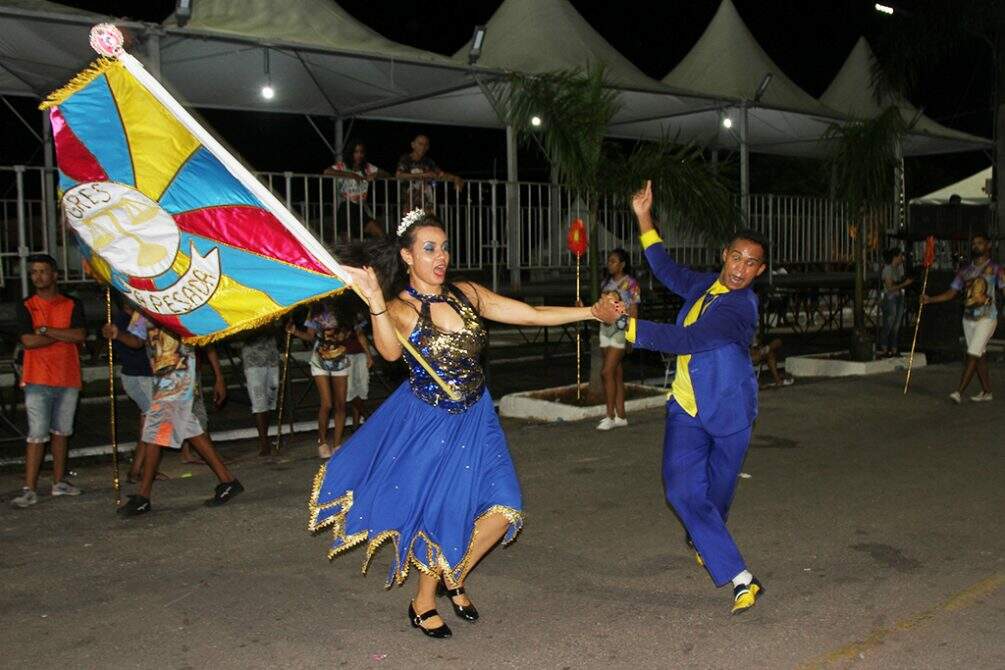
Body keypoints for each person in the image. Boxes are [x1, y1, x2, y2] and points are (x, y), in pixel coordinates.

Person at [308, 209, 607, 638]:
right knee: (447, 513)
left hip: (478, 416)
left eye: (444, 247)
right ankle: (423, 600)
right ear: (408, 257)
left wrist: (589, 314)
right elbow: (390, 354)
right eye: (429, 248)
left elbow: (528, 313)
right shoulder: (399, 308)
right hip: (433, 422)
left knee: (505, 509)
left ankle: (452, 573)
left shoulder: (465, 293)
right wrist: (375, 303)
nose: (441, 256)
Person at [597, 180, 767, 615]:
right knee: (681, 491)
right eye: (736, 257)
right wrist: (643, 216)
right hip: (687, 408)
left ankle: (704, 534)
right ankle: (741, 578)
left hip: (730, 414)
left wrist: (626, 325)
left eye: (751, 264)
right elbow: (665, 268)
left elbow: (686, 338)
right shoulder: (707, 286)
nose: (741, 268)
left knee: (715, 498)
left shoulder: (739, 308)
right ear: (724, 256)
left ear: (758, 272)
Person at [104, 311, 244, 516]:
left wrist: (218, 376)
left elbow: (203, 339)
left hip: (179, 373)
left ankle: (143, 497)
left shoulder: (175, 304)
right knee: (190, 428)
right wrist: (117, 334)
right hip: (161, 377)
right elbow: (136, 340)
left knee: (153, 432)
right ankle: (228, 481)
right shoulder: (142, 308)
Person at [11, 254, 86, 508]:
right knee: (37, 434)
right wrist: (60, 335)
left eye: (43, 271)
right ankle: (29, 488)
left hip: (67, 375)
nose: (38, 276)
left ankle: (59, 481)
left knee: (62, 431)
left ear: (54, 275)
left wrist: (45, 330)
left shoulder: (72, 303)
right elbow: (27, 341)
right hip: (38, 377)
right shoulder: (26, 305)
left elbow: (79, 335)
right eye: (34, 272)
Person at [922, 233, 1004, 403]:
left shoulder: (996, 268)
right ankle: (987, 391)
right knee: (979, 354)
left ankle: (959, 392)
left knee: (972, 353)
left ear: (988, 246)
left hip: (987, 318)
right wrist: (930, 299)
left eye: (980, 243)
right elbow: (952, 292)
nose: (976, 246)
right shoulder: (965, 270)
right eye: (974, 243)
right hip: (968, 319)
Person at [287, 299, 352, 458]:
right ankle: (322, 442)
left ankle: (337, 444)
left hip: (340, 359)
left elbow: (351, 331)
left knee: (341, 405)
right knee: (327, 404)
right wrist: (295, 331)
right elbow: (310, 337)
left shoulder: (344, 308)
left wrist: (343, 334)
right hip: (319, 360)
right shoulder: (315, 310)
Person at [108, 296, 160, 482]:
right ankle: (144, 470)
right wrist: (119, 334)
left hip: (141, 375)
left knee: (148, 424)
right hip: (139, 376)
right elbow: (135, 342)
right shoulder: (126, 319)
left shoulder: (137, 316)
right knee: (153, 424)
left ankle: (138, 470)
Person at [597, 248, 640, 430]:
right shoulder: (605, 283)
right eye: (609, 261)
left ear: (622, 264)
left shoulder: (630, 283)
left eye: (614, 261)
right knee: (616, 372)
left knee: (606, 372)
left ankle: (609, 415)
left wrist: (632, 336)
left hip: (621, 329)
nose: (610, 264)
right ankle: (621, 414)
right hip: (605, 328)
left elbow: (634, 310)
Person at [324, 140, 389, 233]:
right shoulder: (343, 166)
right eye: (356, 152)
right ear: (351, 153)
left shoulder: (367, 167)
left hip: (361, 207)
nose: (359, 155)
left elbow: (386, 173)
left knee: (378, 231)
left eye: (361, 152)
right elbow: (327, 171)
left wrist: (376, 175)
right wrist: (351, 175)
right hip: (344, 208)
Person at [396, 133, 464, 213]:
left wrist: (455, 178)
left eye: (425, 145)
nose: (423, 147)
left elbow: (441, 174)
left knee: (429, 223)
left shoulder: (428, 162)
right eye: (420, 144)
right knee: (411, 224)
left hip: (426, 202)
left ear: (428, 147)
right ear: (413, 145)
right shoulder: (406, 159)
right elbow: (399, 175)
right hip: (409, 203)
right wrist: (424, 175)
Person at [241, 325, 281, 457]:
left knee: (270, 401)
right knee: (259, 402)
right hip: (253, 360)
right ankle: (264, 442)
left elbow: (278, 329)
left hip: (272, 358)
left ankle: (266, 437)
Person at [343, 297, 375, 430]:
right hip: (350, 354)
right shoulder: (349, 315)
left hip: (353, 353)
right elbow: (360, 334)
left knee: (357, 390)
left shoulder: (353, 315)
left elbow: (360, 334)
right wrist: (369, 354)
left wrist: (368, 354)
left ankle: (358, 424)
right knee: (353, 391)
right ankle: (365, 415)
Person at [878, 248, 913, 357]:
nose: (902, 259)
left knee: (896, 324)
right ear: (895, 257)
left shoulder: (898, 269)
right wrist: (904, 284)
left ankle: (893, 348)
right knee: (889, 322)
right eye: (900, 256)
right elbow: (890, 288)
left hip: (898, 297)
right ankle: (884, 348)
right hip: (890, 297)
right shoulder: (888, 269)